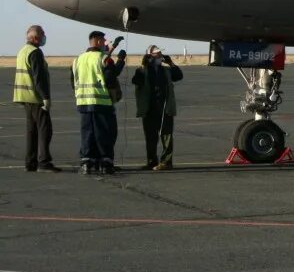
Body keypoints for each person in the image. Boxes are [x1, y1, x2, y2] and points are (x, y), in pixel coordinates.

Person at [71, 31, 126, 175]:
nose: (105, 42)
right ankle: (105, 163)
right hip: (101, 102)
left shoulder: (78, 59)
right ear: (97, 41)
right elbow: (111, 78)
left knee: (87, 133)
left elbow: (73, 80)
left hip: (83, 102)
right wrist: (120, 61)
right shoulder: (103, 59)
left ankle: (87, 163)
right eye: (103, 40)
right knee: (104, 133)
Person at [14, 25, 60, 173]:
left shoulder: (22, 51)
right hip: (35, 97)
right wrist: (45, 97)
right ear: (35, 37)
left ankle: (30, 162)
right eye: (42, 35)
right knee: (45, 129)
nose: (44, 38)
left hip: (24, 96)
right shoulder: (35, 52)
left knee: (31, 130)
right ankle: (44, 162)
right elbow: (39, 78)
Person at [132, 45, 184, 171]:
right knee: (150, 137)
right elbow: (136, 81)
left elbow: (178, 76)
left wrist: (171, 63)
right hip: (149, 109)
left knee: (167, 137)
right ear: (149, 56)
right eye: (157, 54)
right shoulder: (142, 71)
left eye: (160, 54)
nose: (160, 56)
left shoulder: (165, 70)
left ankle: (166, 162)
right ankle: (151, 161)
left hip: (165, 108)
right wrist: (143, 65)